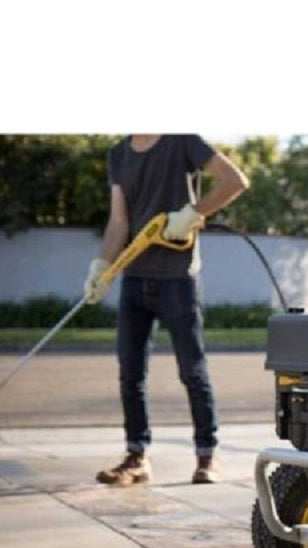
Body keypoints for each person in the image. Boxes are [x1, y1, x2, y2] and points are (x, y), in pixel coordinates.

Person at [84, 134, 249, 486]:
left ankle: (207, 456)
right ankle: (136, 458)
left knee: (192, 371)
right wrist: (102, 266)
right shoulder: (118, 154)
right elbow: (119, 221)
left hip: (178, 279)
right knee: (130, 372)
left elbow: (235, 181)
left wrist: (194, 212)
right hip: (134, 278)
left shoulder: (182, 141)